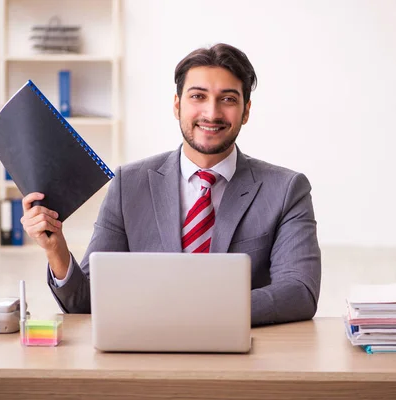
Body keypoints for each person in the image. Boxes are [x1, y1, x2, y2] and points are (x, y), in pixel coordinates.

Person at [20, 43, 321, 326]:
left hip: (242, 356)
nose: (212, 113)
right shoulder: (129, 184)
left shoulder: (286, 189)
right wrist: (56, 250)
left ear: (246, 111)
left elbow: (299, 292)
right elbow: (87, 302)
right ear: (177, 106)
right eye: (198, 96)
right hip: (149, 355)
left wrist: (197, 312)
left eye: (228, 99)